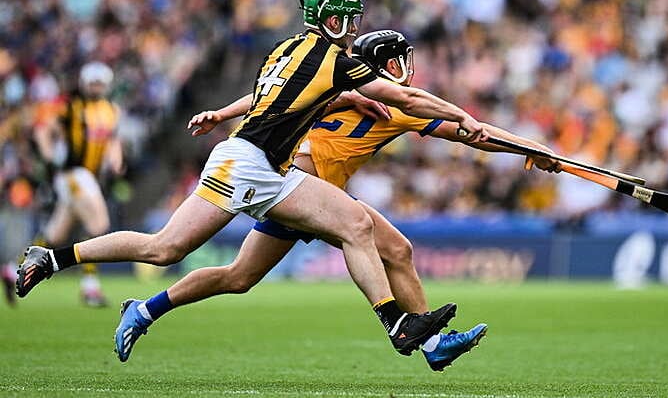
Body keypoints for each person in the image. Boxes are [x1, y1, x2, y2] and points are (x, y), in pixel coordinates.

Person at [16, 0, 488, 362]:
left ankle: (398, 323)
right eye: (351, 19)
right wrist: (463, 115)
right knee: (164, 248)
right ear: (334, 20)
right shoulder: (333, 60)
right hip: (244, 164)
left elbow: (281, 98)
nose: (355, 28)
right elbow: (404, 97)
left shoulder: (285, 49)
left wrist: (222, 112)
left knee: (355, 224)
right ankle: (53, 257)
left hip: (274, 169)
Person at [126, 30, 560, 371]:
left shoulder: (341, 89)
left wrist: (530, 149)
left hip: (308, 194)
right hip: (294, 187)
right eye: (397, 61)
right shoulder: (362, 93)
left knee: (240, 276)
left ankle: (146, 309)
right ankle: (420, 337)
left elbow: (473, 134)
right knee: (389, 247)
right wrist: (533, 149)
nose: (404, 68)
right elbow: (475, 134)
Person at [30, 62, 124, 307]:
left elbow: (113, 141)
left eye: (99, 83)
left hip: (89, 177)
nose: (96, 87)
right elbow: (42, 131)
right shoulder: (72, 107)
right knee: (99, 224)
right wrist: (49, 157)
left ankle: (13, 269)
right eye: (92, 83)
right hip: (73, 173)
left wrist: (116, 162)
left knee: (55, 233)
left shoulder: (111, 109)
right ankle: (90, 287)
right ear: (84, 83)